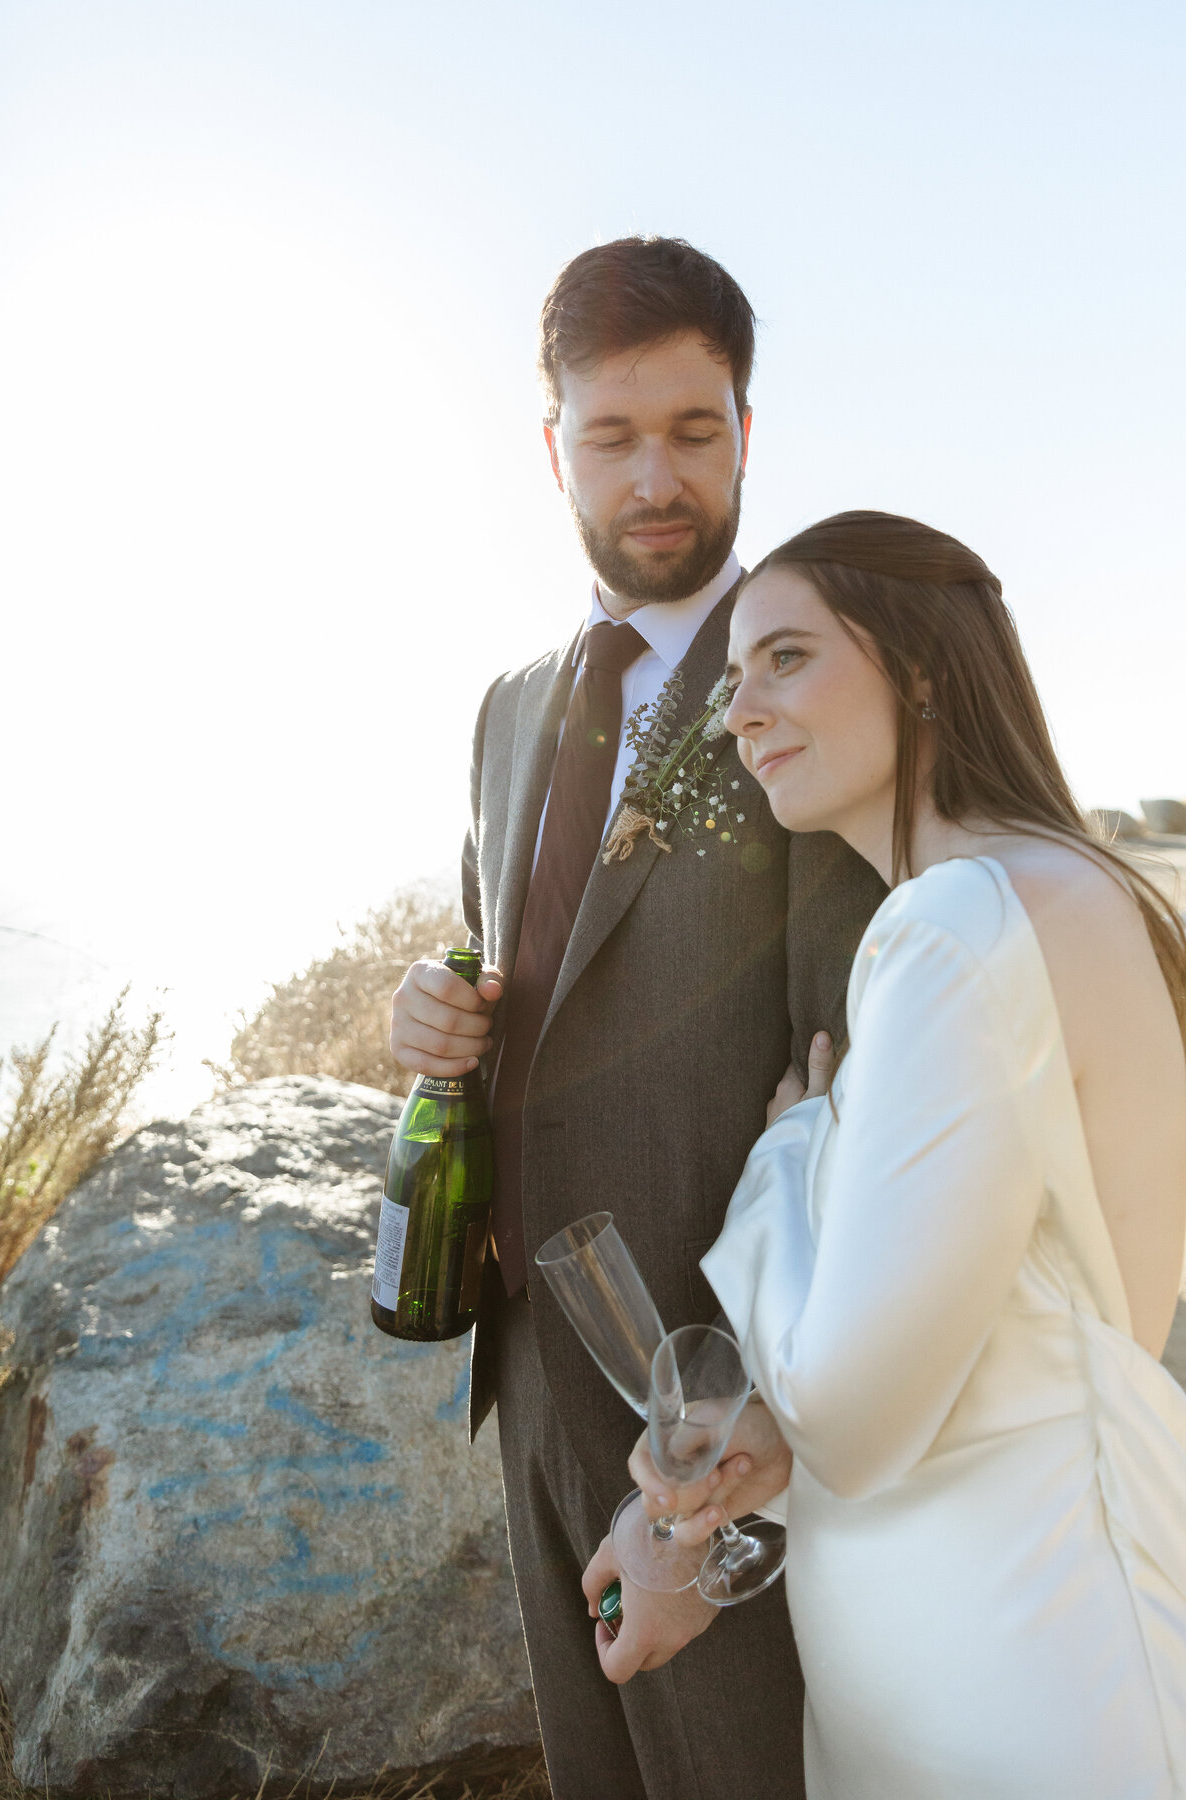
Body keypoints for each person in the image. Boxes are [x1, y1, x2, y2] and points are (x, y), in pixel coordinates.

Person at [387, 240, 886, 1800]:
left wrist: (707, 1485)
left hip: (719, 1402)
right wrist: (433, 1015)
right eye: (612, 437)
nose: (654, 477)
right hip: (524, 1366)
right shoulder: (511, 703)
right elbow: (514, 965)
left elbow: (853, 1103)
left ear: (749, 430)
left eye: (695, 430)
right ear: (555, 450)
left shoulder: (814, 684)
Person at [619, 509, 1186, 1797]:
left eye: (785, 659)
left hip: (1006, 1676)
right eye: (730, 679)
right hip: (1014, 1633)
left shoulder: (953, 926)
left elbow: (851, 1417)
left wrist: (786, 1163)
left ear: (920, 663)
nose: (739, 713)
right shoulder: (1062, 890)